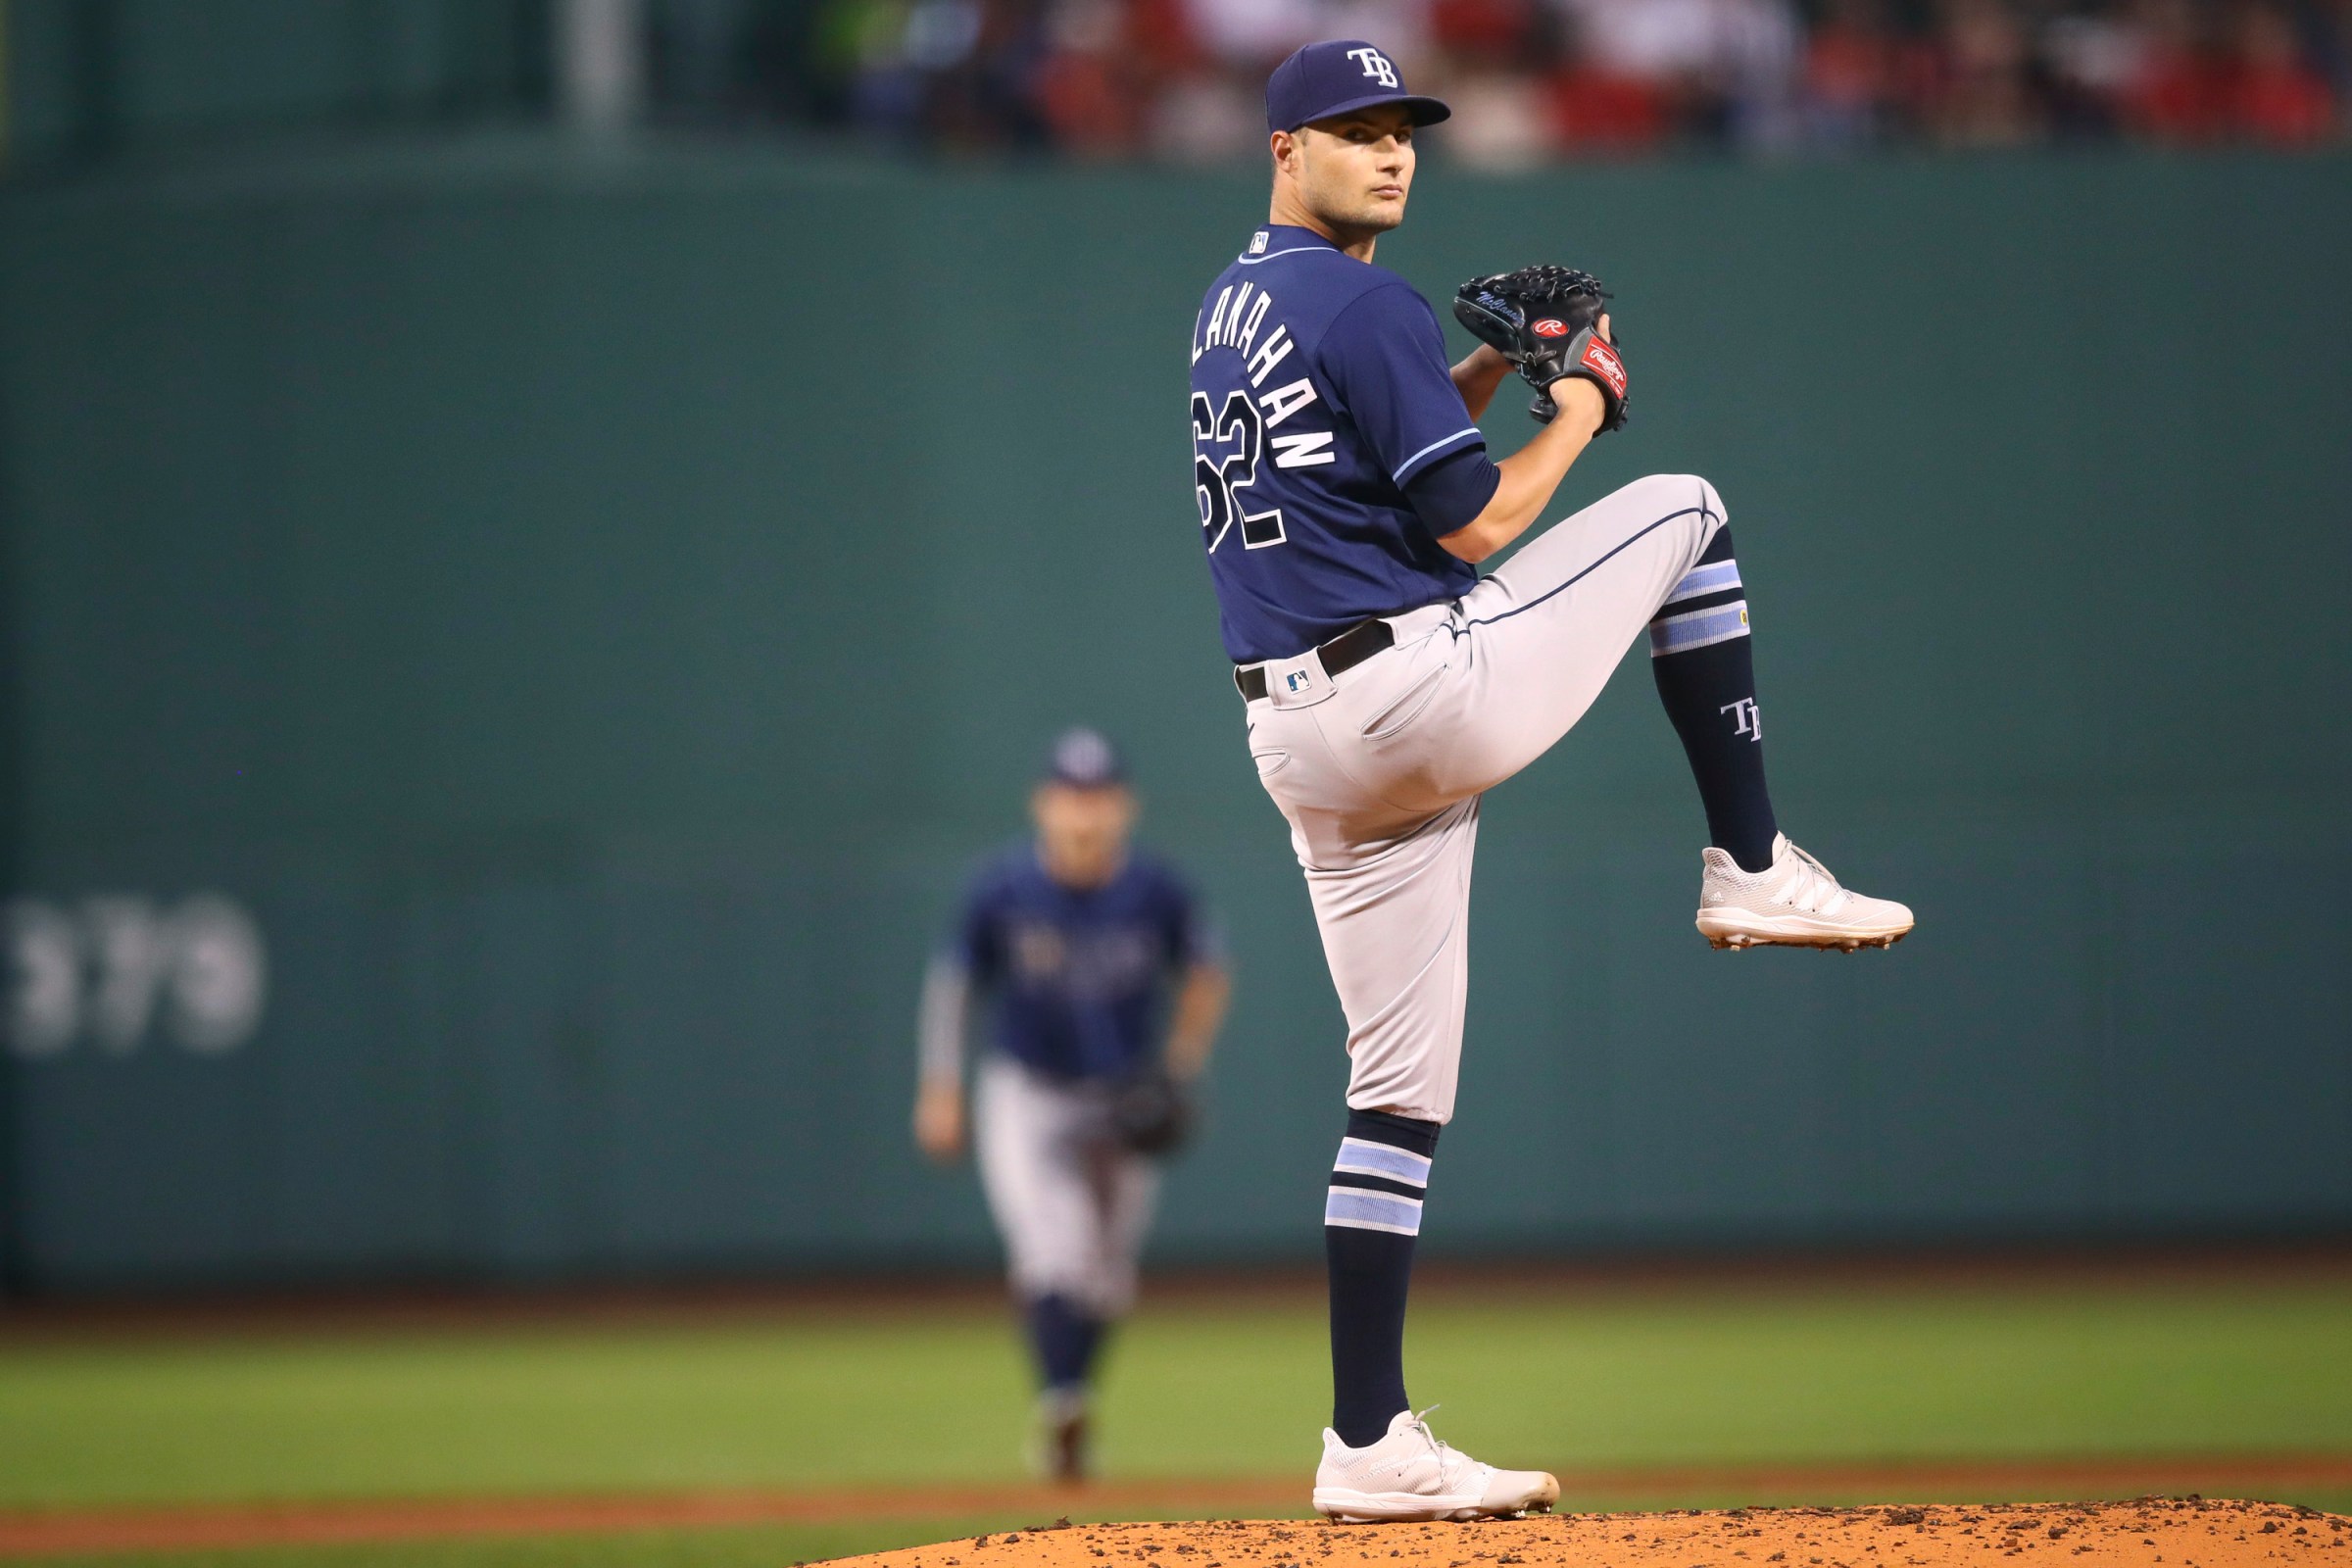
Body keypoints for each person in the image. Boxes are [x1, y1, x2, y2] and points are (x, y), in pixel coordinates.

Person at [1188, 39, 1914, 1523]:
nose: (1391, 151)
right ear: (1285, 149)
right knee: (1688, 512)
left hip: (1300, 741)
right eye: (1355, 130)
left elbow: (1379, 464)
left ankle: (1366, 1440)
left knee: (1395, 1095)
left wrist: (1485, 371)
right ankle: (1751, 864)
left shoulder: (1236, 301)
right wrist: (1574, 396)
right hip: (1410, 693)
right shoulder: (1363, 299)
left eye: (1403, 129)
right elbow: (1473, 527)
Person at [913, 727, 1231, 1483]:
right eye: (1070, 796)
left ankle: (1073, 1401)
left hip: (1123, 1097)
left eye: (1098, 796)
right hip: (1030, 1091)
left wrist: (1180, 1065)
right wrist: (941, 1085)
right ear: (1043, 804)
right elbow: (954, 986)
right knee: (1051, 1249)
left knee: (1107, 1275)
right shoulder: (1003, 887)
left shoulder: (1156, 888)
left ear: (1124, 806)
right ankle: (1061, 1400)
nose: (1084, 812)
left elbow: (1208, 970)